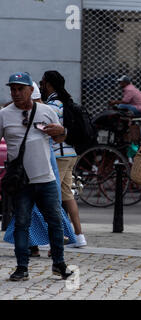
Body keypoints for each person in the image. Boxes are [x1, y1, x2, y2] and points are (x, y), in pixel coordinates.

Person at [1, 72, 73, 281]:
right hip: (21, 182)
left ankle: (59, 264)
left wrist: (62, 131)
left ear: (31, 91)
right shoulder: (4, 114)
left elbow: (60, 137)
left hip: (46, 178)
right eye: (12, 89)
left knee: (55, 222)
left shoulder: (47, 111)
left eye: (20, 89)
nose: (16, 93)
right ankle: (22, 267)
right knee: (22, 223)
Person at [40, 70, 87, 248]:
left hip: (58, 155)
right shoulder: (66, 101)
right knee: (67, 195)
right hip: (71, 154)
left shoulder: (53, 105)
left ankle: (59, 236)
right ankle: (79, 235)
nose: (41, 86)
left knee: (53, 196)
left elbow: (46, 129)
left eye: (43, 83)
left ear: (49, 84)